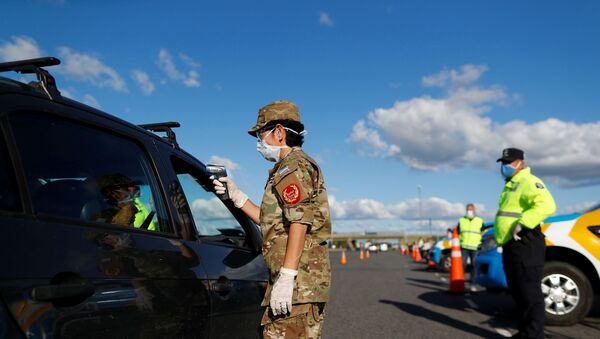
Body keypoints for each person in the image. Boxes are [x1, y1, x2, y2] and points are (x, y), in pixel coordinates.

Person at [212, 100, 331, 338]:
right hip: (299, 283)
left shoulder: (293, 167)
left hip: (298, 284)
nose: (259, 142)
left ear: (279, 132)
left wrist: (287, 277)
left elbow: (300, 221)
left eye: (261, 134)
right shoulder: (286, 168)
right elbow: (271, 222)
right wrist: (237, 197)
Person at [494, 148, 556, 339]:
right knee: (518, 291)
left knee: (529, 292)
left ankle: (534, 335)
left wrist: (524, 222)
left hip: (526, 242)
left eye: (509, 162)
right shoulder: (512, 183)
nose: (505, 166)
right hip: (512, 244)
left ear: (521, 163)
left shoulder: (528, 181)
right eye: (503, 162)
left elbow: (547, 205)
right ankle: (525, 332)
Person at [456, 203, 484, 290]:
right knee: (462, 266)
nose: (469, 211)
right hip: (464, 247)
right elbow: (457, 231)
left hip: (475, 247)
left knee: (474, 266)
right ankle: (461, 283)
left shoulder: (480, 220)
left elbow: (483, 231)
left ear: (474, 210)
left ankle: (473, 284)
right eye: (468, 210)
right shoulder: (461, 220)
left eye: (471, 210)